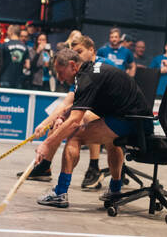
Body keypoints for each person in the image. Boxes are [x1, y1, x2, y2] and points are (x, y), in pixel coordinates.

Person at [35, 48, 152, 208]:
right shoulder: (92, 70)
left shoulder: (86, 79)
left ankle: (60, 193)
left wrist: (47, 144)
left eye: (61, 73)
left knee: (74, 136)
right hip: (138, 121)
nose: (60, 79)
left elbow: (76, 121)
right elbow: (80, 104)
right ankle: (115, 190)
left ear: (72, 66)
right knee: (112, 142)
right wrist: (62, 117)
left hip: (129, 121)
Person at [18, 36, 111, 191]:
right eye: (74, 52)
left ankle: (93, 167)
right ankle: (45, 167)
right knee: (58, 122)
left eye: (80, 51)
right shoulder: (79, 72)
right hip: (89, 107)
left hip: (108, 110)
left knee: (83, 120)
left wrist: (47, 142)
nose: (77, 56)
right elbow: (66, 103)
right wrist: (45, 123)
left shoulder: (104, 65)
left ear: (92, 50)